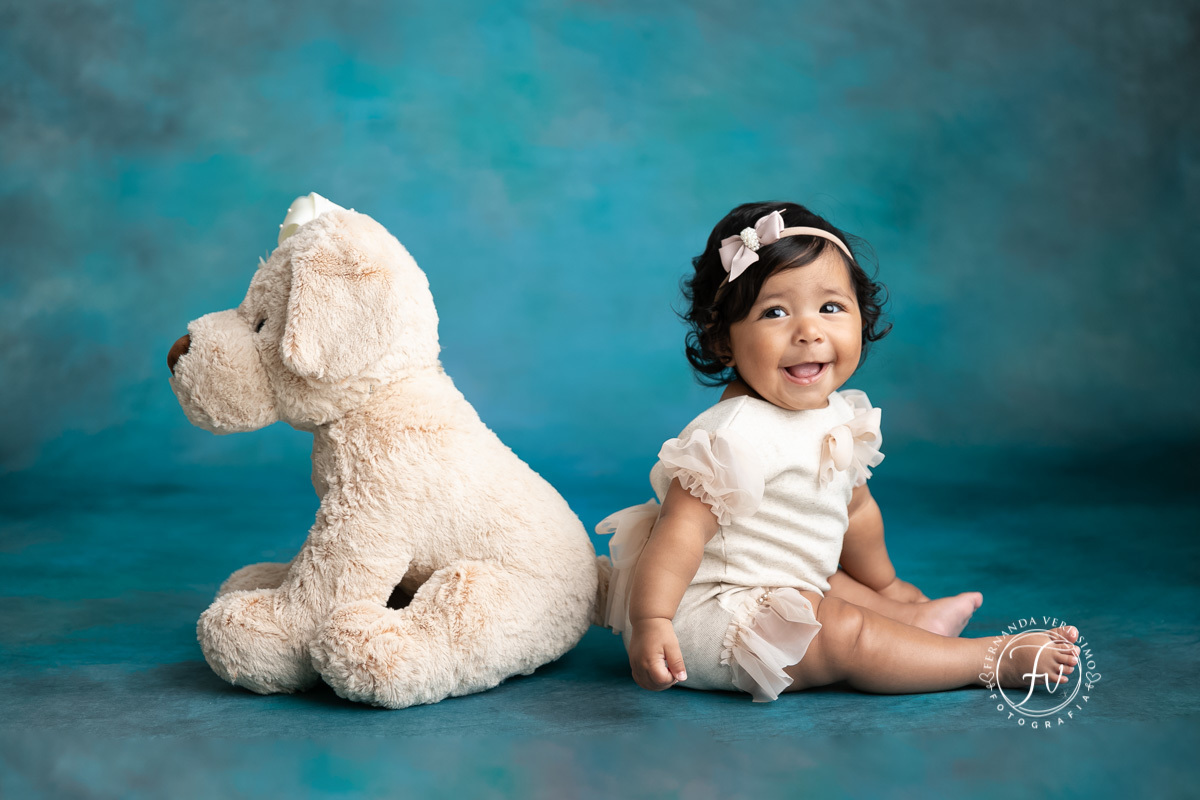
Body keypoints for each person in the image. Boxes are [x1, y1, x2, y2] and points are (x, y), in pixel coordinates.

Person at [599, 202, 1080, 701]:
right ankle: (991, 659)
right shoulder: (731, 436)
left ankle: (912, 622)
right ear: (724, 342)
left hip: (781, 580)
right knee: (845, 630)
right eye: (775, 312)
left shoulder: (837, 414)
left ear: (860, 317)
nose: (809, 332)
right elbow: (677, 534)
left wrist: (886, 588)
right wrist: (652, 621)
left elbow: (855, 510)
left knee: (837, 584)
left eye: (830, 307)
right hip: (711, 616)